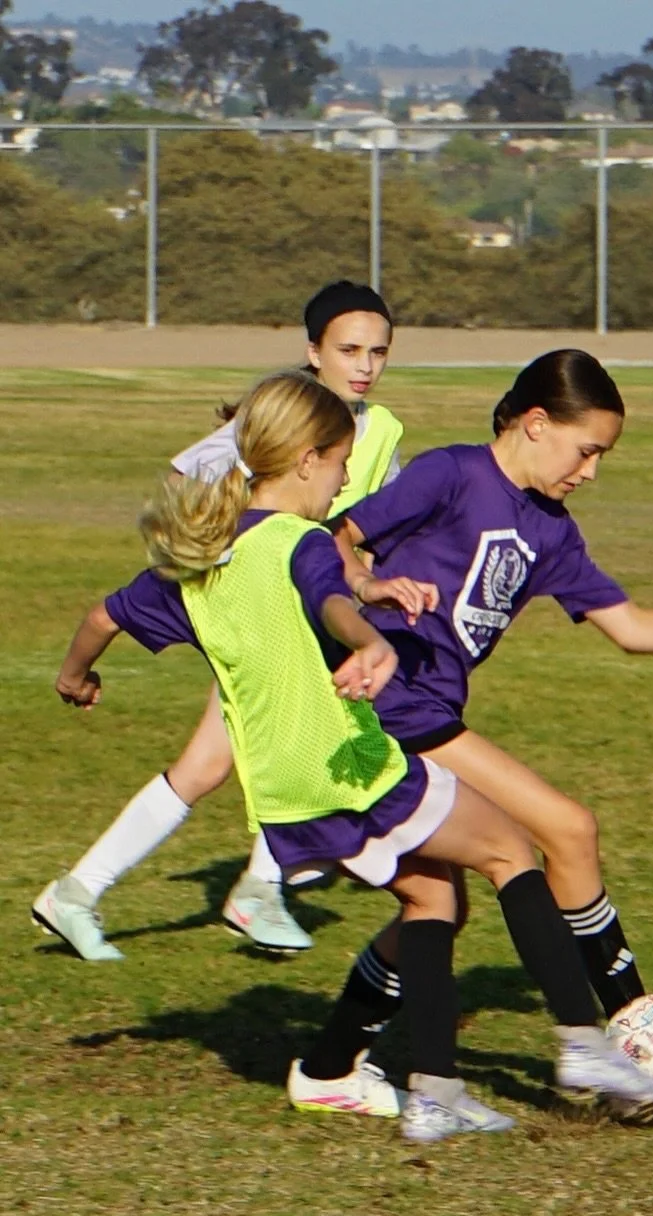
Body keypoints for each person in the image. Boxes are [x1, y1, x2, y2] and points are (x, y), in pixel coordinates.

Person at [48, 369, 653, 1140]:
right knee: (514, 847)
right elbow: (329, 598)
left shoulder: (205, 557)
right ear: (309, 459)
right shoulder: (302, 541)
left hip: (282, 797)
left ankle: (415, 1087)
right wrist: (372, 634)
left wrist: (75, 674)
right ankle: (583, 1044)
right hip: (350, 768)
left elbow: (102, 613)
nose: (348, 479)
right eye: (345, 463)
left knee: (434, 897)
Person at [330, 348, 653, 1075]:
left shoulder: (552, 530)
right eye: (586, 449)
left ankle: (332, 1061)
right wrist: (368, 587)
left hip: (429, 705)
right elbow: (338, 538)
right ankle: (639, 1030)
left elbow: (629, 627)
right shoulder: (453, 473)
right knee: (566, 826)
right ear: (536, 423)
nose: (590, 471)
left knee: (437, 906)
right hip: (388, 701)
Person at [33, 281, 416, 959]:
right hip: (259, 616)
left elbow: (346, 535)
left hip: (306, 615)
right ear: (313, 351)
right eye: (348, 348)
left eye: (378, 351)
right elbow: (188, 481)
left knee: (211, 764)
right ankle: (261, 887)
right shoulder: (272, 421)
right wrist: (227, 562)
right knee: (298, 743)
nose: (365, 364)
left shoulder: (381, 431)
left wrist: (369, 581)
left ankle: (80, 892)